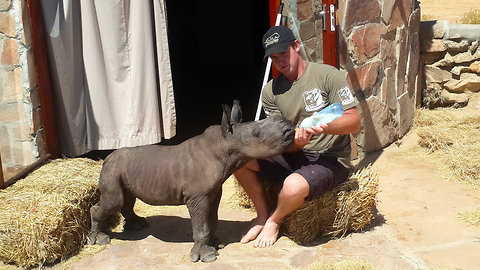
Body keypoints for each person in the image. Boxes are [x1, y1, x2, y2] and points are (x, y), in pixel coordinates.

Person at [234, 26, 361, 248]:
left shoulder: (327, 75)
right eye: (274, 57)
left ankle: (275, 220)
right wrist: (295, 144)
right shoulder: (271, 91)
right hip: (294, 153)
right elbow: (280, 143)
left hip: (330, 158)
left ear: (296, 46)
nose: (280, 61)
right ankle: (262, 215)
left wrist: (321, 126)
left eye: (284, 53)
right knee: (236, 158)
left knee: (292, 186)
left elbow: (354, 121)